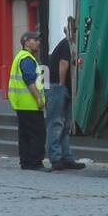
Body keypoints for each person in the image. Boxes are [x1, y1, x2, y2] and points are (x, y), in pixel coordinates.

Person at [46, 31, 85, 171]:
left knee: (65, 125)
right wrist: (62, 85)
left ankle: (66, 157)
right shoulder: (68, 44)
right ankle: (56, 159)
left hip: (61, 87)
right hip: (58, 86)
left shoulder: (69, 43)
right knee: (56, 124)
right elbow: (63, 64)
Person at [8, 31, 46, 171]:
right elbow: (30, 81)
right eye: (35, 40)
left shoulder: (20, 57)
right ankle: (36, 162)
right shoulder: (27, 59)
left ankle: (26, 162)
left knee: (24, 135)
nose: (38, 42)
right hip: (30, 104)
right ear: (26, 43)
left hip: (21, 105)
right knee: (37, 134)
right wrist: (38, 99)